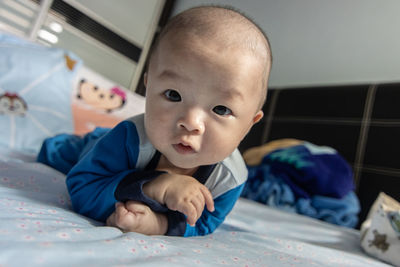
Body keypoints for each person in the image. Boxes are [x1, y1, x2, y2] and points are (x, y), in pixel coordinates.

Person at [37, 5, 272, 237]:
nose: (191, 123)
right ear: (148, 88)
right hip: (98, 147)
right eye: (173, 95)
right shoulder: (130, 138)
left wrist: (158, 225)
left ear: (250, 124)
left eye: (221, 109)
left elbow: (202, 223)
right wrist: (155, 186)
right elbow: (83, 188)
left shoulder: (229, 178)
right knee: (56, 151)